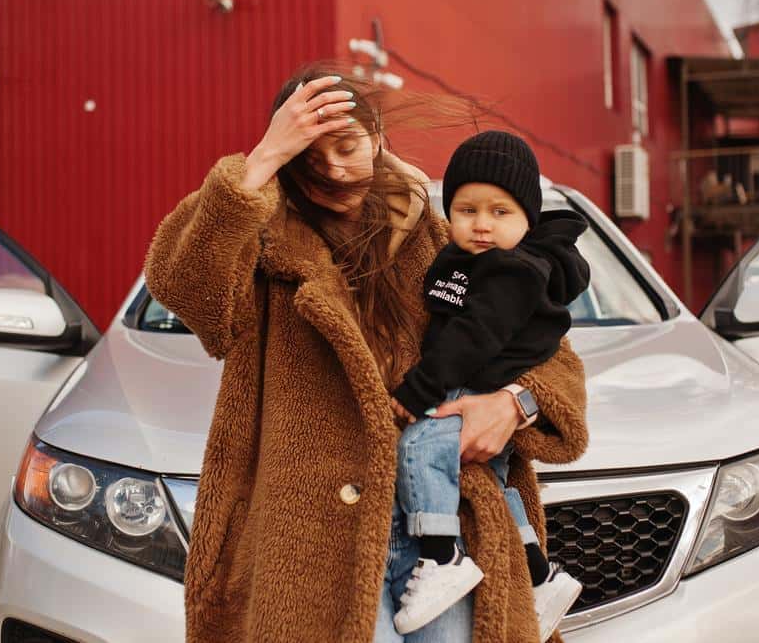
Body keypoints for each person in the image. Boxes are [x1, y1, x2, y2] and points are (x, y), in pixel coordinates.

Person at [143, 64, 590, 643]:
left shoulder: (446, 236)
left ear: (378, 137)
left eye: (348, 146)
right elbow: (185, 286)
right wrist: (265, 155)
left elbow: (551, 352)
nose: (331, 167)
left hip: (444, 539)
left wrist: (515, 403)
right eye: (309, 155)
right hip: (303, 545)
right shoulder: (260, 245)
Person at [387, 131, 589, 640]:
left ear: (528, 220)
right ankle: (539, 576)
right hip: (474, 394)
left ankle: (441, 556)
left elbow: (472, 339)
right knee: (497, 490)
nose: (481, 225)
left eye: (500, 212)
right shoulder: (475, 261)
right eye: (467, 210)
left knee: (417, 447)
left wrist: (420, 390)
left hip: (467, 392)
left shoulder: (511, 271)